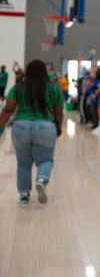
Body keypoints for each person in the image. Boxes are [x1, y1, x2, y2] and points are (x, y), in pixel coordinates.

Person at [0, 60, 63, 204]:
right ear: (44, 72)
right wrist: (58, 128)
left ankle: (24, 194)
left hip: (21, 126)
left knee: (23, 163)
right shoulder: (54, 88)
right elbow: (58, 113)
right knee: (45, 160)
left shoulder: (18, 87)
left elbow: (8, 110)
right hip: (45, 127)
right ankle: (41, 180)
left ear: (27, 72)